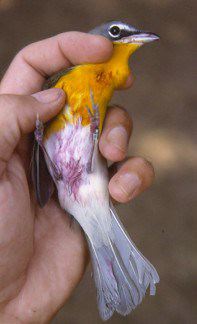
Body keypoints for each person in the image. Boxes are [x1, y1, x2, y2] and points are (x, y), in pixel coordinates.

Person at [0, 31, 155, 323]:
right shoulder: (71, 76)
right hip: (64, 185)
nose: (130, 38)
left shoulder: (106, 84)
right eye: (118, 32)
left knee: (105, 146)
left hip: (82, 184)